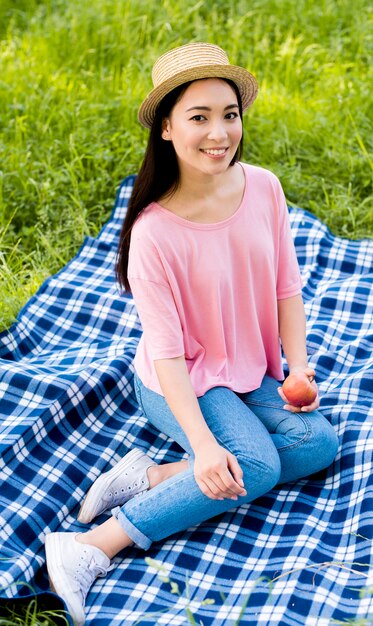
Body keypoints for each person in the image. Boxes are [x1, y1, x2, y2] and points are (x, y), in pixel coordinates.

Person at [44, 42, 339, 625]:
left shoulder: (264, 187)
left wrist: (298, 366)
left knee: (319, 445)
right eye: (199, 118)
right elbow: (169, 354)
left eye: (229, 115)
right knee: (254, 467)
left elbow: (286, 288)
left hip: (252, 368)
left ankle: (149, 476)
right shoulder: (155, 232)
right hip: (179, 380)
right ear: (167, 131)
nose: (219, 133)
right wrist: (205, 447)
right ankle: (90, 546)